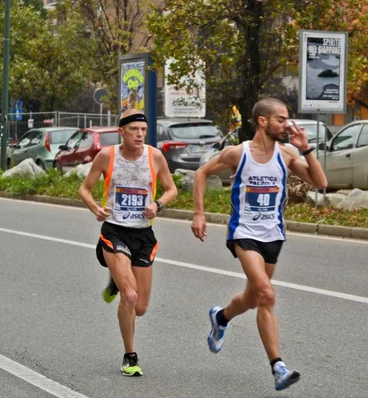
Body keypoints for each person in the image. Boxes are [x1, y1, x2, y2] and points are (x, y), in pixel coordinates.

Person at [191, 98, 327, 391]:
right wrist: (199, 214)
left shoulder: (288, 153)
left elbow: (320, 182)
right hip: (244, 233)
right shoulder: (238, 154)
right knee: (266, 294)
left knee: (253, 298)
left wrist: (306, 148)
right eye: (281, 119)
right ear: (262, 121)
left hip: (274, 235)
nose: (287, 124)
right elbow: (202, 173)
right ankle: (278, 367)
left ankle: (221, 317)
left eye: (288, 119)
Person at [79, 109, 177, 377]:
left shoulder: (154, 156)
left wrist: (158, 205)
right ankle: (130, 356)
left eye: (143, 130)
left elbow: (172, 189)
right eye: (134, 129)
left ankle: (116, 278)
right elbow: (84, 189)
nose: (139, 134)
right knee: (130, 296)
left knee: (141, 307)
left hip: (143, 235)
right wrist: (95, 209)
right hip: (115, 231)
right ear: (121, 132)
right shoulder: (106, 156)